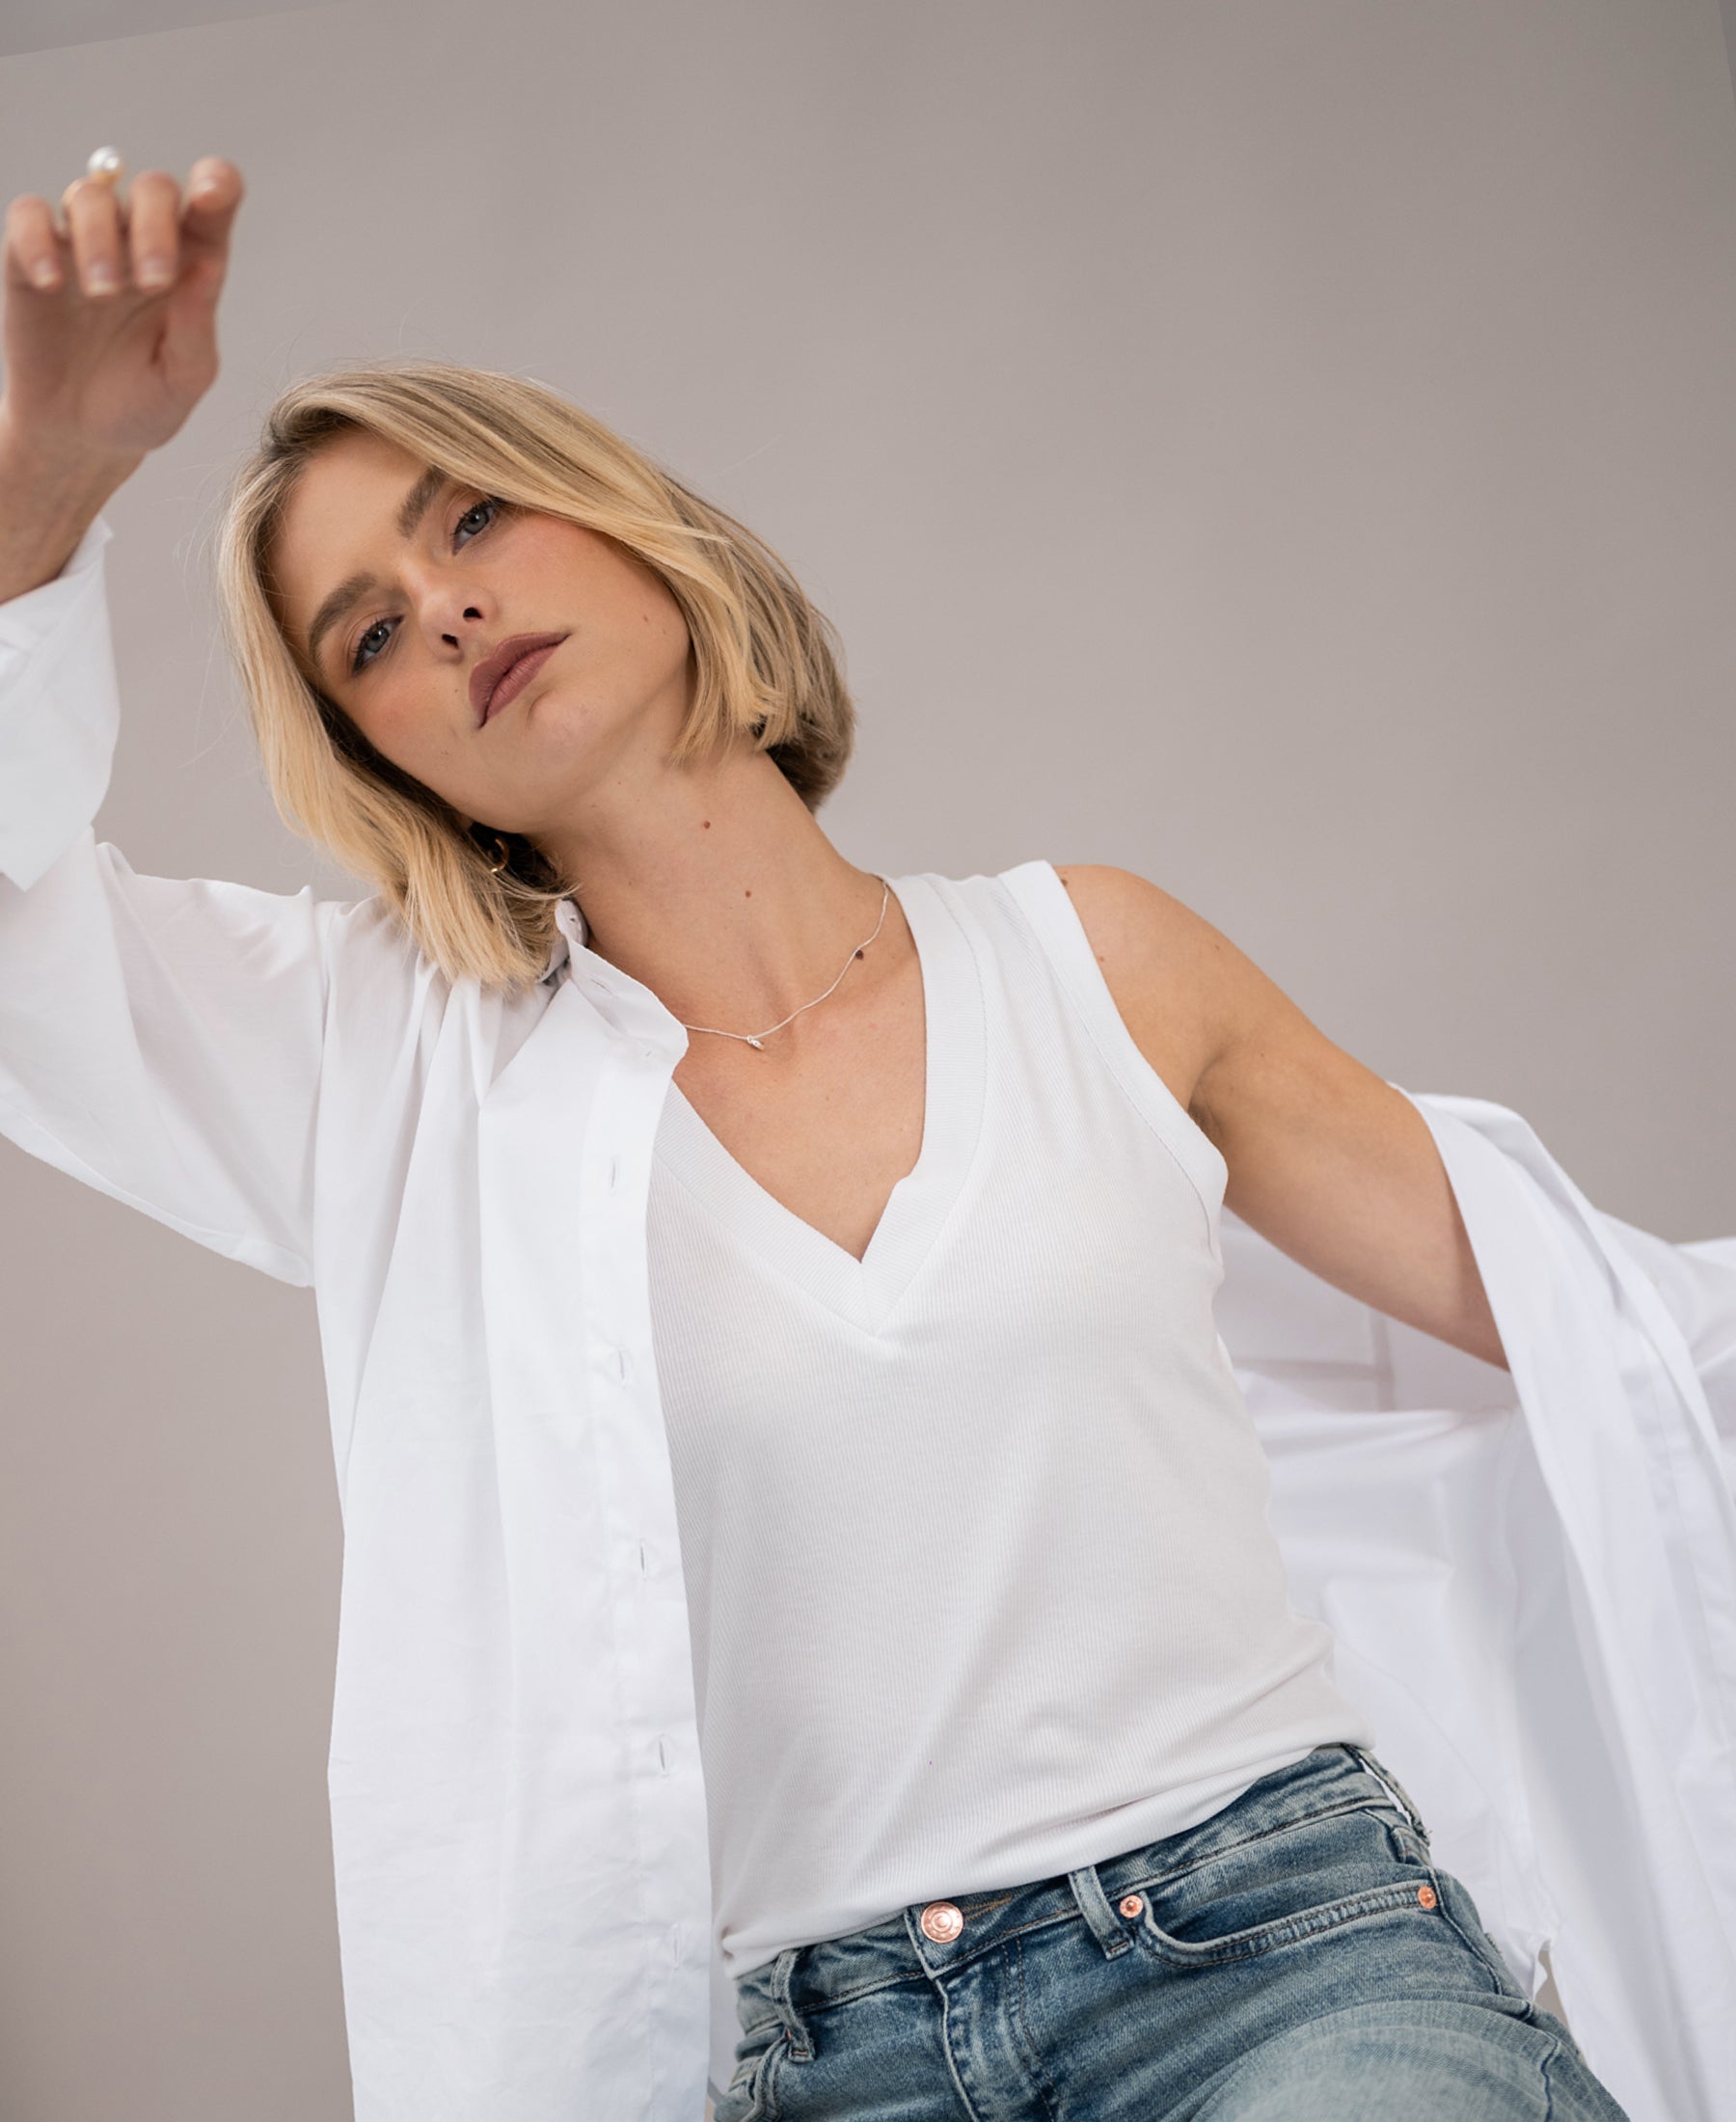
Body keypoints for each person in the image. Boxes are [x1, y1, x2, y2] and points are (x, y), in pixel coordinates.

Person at [0, 152, 1636, 2122]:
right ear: (384, 760)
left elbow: (1577, 1324)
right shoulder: (399, 1082)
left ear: (633, 524)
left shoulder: (1092, 958)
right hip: (831, 2055)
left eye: (474, 515)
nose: (443, 607)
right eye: (363, 637)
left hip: (1275, 1957)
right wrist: (48, 468)